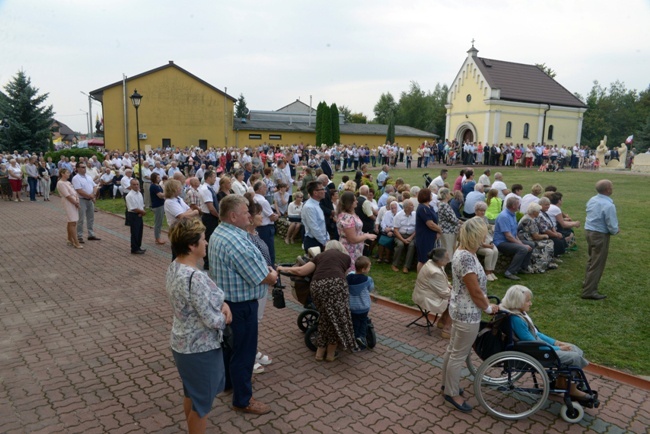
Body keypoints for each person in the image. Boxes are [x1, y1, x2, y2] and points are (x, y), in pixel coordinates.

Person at [208, 194, 278, 415]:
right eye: (246, 211)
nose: (250, 214)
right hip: (241, 306)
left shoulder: (221, 232)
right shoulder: (236, 241)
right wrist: (273, 274)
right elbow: (262, 277)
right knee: (244, 354)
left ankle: (230, 384)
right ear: (233, 215)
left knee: (230, 349)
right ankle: (243, 399)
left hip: (229, 302)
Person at [166, 218, 232, 433]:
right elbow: (212, 320)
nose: (207, 242)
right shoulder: (194, 277)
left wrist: (220, 303)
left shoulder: (174, 267)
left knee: (192, 395)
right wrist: (226, 316)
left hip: (183, 344)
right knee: (201, 404)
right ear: (191, 245)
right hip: (199, 349)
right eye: (203, 239)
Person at [441, 217, 498, 413]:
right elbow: (474, 291)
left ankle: (447, 385)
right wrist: (488, 308)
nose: (486, 236)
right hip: (467, 313)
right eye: (483, 233)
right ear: (476, 236)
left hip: (459, 308)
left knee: (453, 350)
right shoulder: (466, 257)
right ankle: (451, 392)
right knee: (458, 354)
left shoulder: (462, 251)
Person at [500, 285, 592, 399]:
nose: (530, 303)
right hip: (536, 352)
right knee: (574, 357)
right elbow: (533, 344)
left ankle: (562, 382)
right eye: (528, 301)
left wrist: (556, 342)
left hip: (539, 347)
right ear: (518, 302)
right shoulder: (517, 319)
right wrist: (558, 349)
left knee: (575, 348)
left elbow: (537, 333)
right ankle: (571, 388)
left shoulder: (520, 314)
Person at [277, 241, 357, 362]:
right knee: (335, 319)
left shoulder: (319, 257)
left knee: (326, 317)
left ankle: (320, 353)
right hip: (337, 285)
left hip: (317, 286)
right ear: (341, 248)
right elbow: (343, 274)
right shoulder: (346, 258)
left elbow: (301, 271)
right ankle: (330, 354)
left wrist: (283, 268)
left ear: (327, 248)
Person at [582, 180, 619, 300]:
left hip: (589, 231)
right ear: (607, 190)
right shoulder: (608, 205)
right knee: (597, 263)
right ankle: (589, 291)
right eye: (611, 187)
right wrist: (615, 230)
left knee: (592, 259)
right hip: (599, 234)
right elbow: (611, 223)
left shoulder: (592, 199)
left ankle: (587, 282)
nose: (612, 189)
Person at [413, 247, 452, 338]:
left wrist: (450, 286)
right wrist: (459, 293)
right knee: (458, 301)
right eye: (447, 258)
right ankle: (447, 329)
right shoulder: (435, 272)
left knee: (454, 297)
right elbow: (444, 293)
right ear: (439, 259)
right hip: (427, 297)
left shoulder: (432, 263)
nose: (449, 259)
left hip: (424, 293)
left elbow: (442, 282)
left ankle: (442, 321)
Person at [494, 196, 534, 280]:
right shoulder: (504, 216)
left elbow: (514, 234)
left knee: (531, 244)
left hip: (509, 240)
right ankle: (509, 272)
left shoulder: (513, 214)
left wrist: (521, 242)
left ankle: (521, 268)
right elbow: (508, 236)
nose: (520, 205)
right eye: (518, 204)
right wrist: (522, 245)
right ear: (513, 206)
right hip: (501, 243)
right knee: (522, 249)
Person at [337, 191, 377, 271]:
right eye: (355, 200)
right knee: (351, 271)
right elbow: (352, 239)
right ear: (350, 203)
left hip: (356, 248)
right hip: (350, 249)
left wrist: (363, 234)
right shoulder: (348, 218)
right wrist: (366, 236)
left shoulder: (351, 214)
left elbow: (356, 231)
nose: (357, 201)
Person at [517, 203, 557, 273]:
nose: (539, 213)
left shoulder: (527, 217)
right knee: (549, 243)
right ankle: (541, 265)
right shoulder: (529, 220)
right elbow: (536, 236)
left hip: (527, 238)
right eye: (538, 211)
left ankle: (547, 261)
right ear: (534, 212)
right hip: (527, 240)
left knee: (548, 241)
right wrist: (545, 236)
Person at [347, 256, 375, 350]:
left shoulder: (349, 278)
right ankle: (361, 337)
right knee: (363, 322)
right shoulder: (368, 280)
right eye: (369, 267)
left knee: (354, 323)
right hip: (363, 307)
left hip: (352, 307)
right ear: (363, 269)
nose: (369, 269)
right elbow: (370, 289)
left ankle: (353, 339)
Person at [72, 162, 101, 243]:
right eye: (82, 167)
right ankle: (79, 236)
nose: (84, 169)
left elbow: (94, 186)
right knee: (81, 219)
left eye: (84, 167)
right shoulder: (76, 178)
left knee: (91, 218)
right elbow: (79, 190)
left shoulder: (88, 177)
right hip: (82, 200)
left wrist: (93, 195)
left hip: (89, 200)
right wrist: (90, 196)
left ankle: (91, 234)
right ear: (77, 168)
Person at [415, 189, 442, 272]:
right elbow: (430, 224)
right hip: (424, 236)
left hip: (430, 236)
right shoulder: (422, 208)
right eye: (430, 194)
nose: (432, 196)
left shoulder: (429, 207)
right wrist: (440, 230)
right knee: (423, 259)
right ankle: (421, 278)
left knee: (429, 258)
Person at [56, 168, 83, 249]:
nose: (69, 174)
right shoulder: (60, 183)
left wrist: (77, 200)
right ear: (62, 174)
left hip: (74, 201)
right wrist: (75, 203)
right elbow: (67, 195)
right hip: (69, 203)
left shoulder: (68, 182)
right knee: (72, 222)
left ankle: (69, 239)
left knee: (71, 221)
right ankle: (76, 242)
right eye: (67, 173)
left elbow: (74, 192)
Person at [198, 170, 220, 269]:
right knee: (208, 239)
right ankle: (207, 262)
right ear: (209, 177)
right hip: (209, 217)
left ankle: (211, 260)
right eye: (214, 177)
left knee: (211, 239)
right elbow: (210, 207)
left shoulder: (209, 188)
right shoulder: (205, 189)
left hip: (211, 217)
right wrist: (219, 217)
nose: (215, 179)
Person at [301, 181, 329, 253]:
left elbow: (322, 224)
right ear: (315, 192)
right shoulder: (309, 207)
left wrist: (327, 238)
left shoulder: (317, 204)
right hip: (314, 242)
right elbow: (314, 227)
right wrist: (324, 242)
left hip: (321, 240)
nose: (324, 191)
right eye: (322, 189)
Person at [474, 202, 499, 281]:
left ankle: (491, 271)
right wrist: (486, 245)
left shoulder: (485, 218)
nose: (482, 212)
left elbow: (488, 232)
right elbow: (477, 238)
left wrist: (490, 242)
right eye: (481, 210)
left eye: (484, 210)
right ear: (476, 211)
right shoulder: (474, 221)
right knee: (489, 252)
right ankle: (487, 272)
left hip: (488, 241)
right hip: (478, 245)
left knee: (495, 251)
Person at [391, 200, 416, 274]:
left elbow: (417, 229)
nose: (413, 206)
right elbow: (395, 230)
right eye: (411, 205)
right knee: (400, 245)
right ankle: (394, 264)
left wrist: (410, 237)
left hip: (411, 235)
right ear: (406, 207)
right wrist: (403, 239)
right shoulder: (398, 216)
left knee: (412, 245)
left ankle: (406, 266)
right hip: (400, 235)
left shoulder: (415, 214)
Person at [438, 188, 462, 262]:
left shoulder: (442, 204)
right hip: (448, 231)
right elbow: (452, 219)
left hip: (447, 230)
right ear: (446, 195)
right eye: (449, 193)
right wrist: (460, 222)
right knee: (448, 250)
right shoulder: (444, 205)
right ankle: (443, 268)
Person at [125, 178, 146, 254]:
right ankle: (134, 248)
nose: (136, 186)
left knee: (139, 231)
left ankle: (138, 246)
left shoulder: (139, 193)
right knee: (134, 232)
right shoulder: (129, 196)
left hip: (139, 214)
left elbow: (141, 204)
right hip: (133, 215)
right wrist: (142, 212)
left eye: (137, 184)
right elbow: (133, 208)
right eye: (134, 184)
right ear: (131, 185)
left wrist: (141, 212)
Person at [149, 172, 166, 246]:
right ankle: (157, 238)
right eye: (157, 177)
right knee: (158, 222)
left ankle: (158, 237)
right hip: (157, 205)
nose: (159, 178)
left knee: (160, 221)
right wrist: (168, 193)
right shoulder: (153, 186)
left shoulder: (158, 185)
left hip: (161, 205)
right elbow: (160, 195)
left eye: (159, 177)